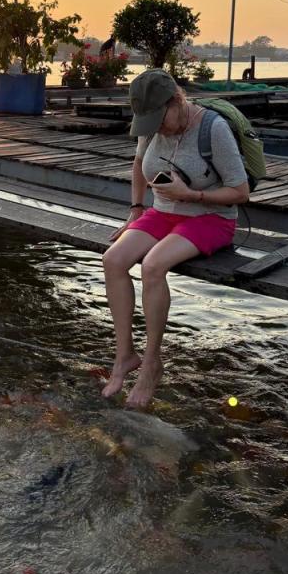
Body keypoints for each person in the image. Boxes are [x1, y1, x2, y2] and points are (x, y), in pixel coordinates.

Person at [101, 69, 249, 408]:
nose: (157, 128)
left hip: (210, 217)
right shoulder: (151, 125)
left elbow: (240, 192)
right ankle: (124, 355)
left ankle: (152, 363)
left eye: (160, 118)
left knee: (152, 266)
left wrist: (192, 195)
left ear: (177, 101)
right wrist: (136, 210)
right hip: (163, 212)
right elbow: (139, 164)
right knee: (113, 259)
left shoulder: (214, 128)